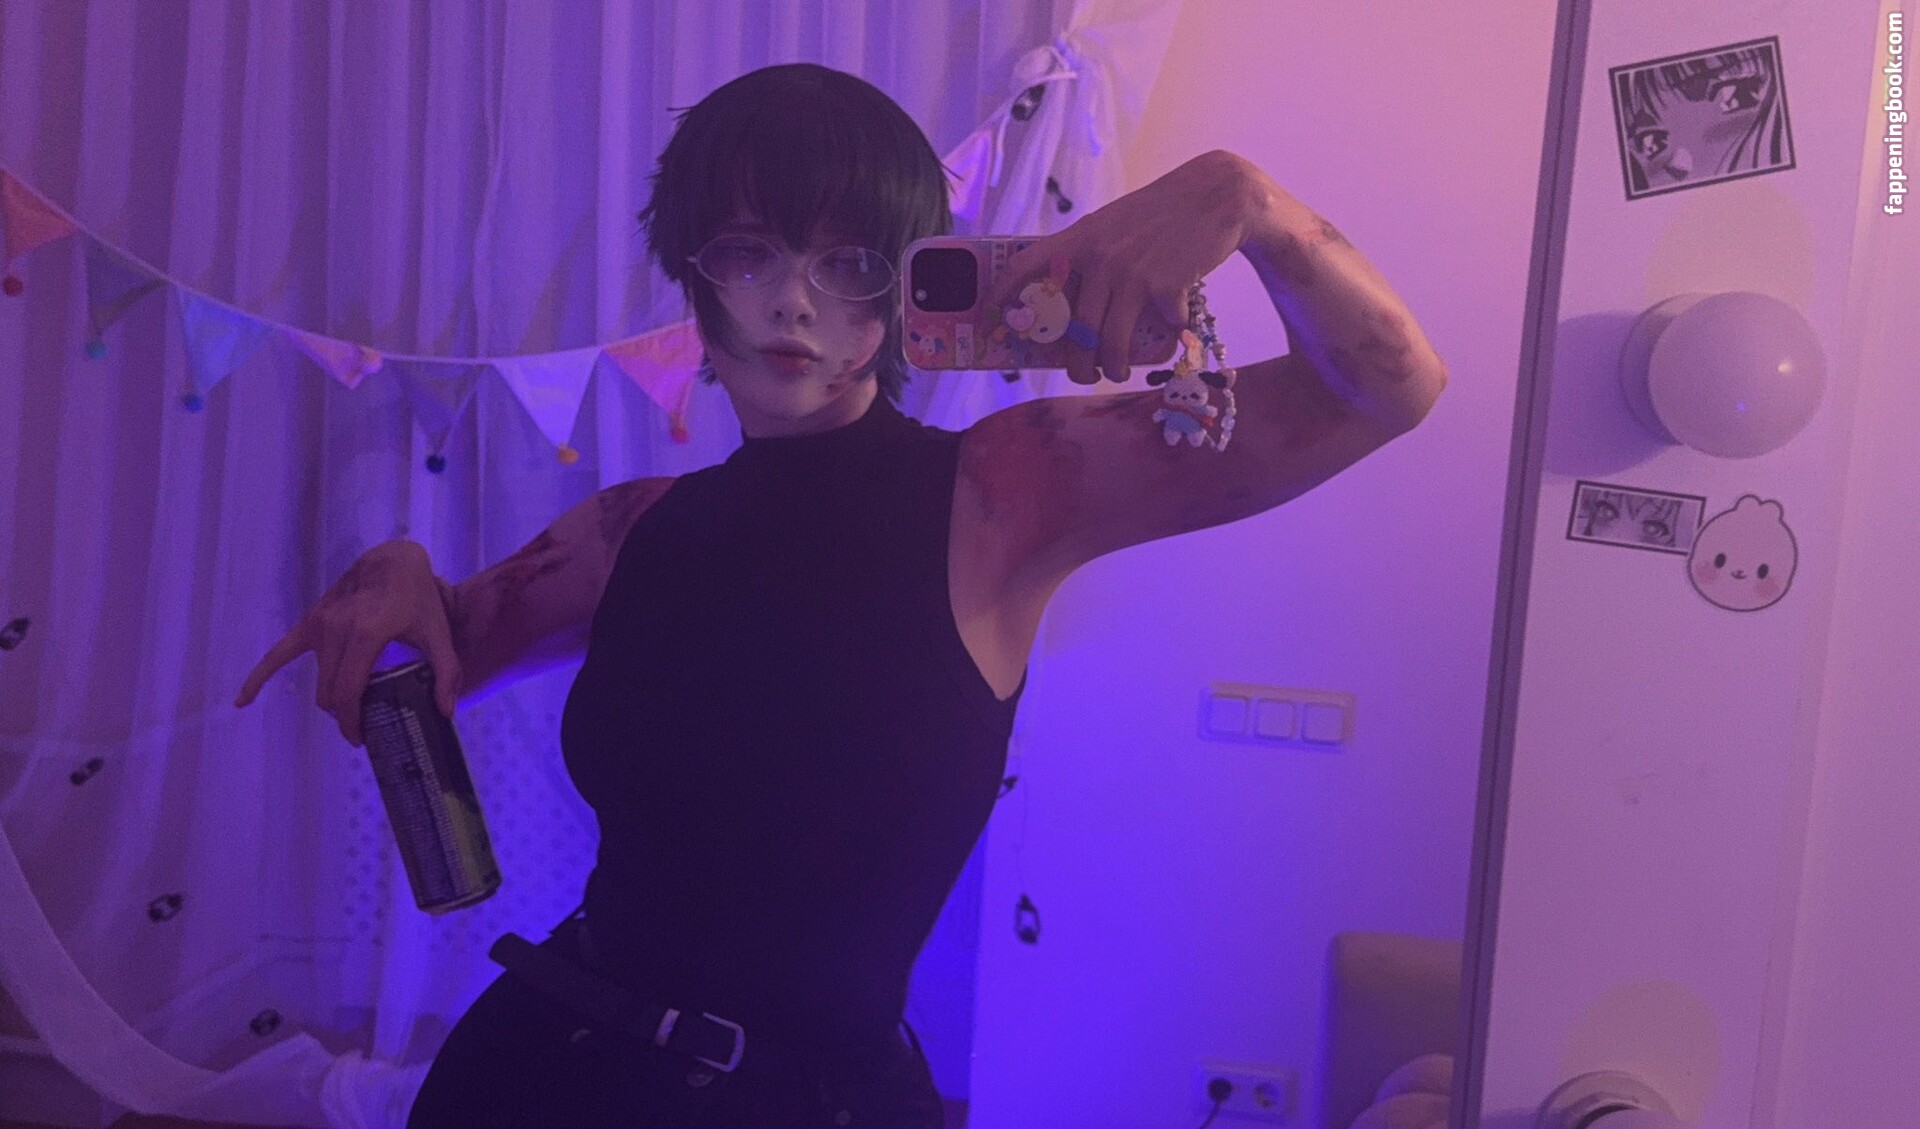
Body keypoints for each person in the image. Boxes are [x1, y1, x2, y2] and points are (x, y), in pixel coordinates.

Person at [233, 62, 1446, 1128]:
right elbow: (430, 653)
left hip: (817, 1100)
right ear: (694, 280)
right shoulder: (629, 528)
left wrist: (1249, 201)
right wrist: (396, 570)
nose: (793, 301)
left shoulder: (1005, 491)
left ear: (906, 289)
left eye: (849, 262)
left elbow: (1386, 390)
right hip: (541, 1071)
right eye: (748, 252)